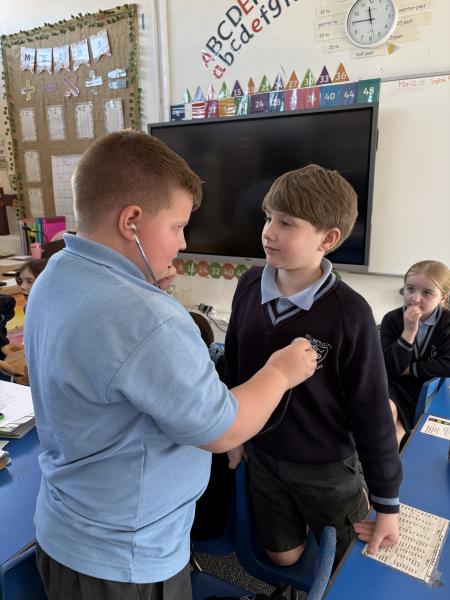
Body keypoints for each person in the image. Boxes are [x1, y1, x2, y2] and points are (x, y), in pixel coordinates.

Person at [24, 130, 318, 600]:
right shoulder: (146, 317)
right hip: (125, 562)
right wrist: (280, 372)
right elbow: (222, 429)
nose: (182, 243)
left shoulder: (56, 273)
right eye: (178, 226)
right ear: (132, 221)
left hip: (67, 529)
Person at [223, 164, 403, 566]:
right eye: (268, 217)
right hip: (262, 455)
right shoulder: (248, 284)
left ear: (328, 239)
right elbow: (232, 364)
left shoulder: (350, 313)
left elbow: (371, 410)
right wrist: (232, 434)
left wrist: (387, 504)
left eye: (286, 223)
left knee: (345, 564)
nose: (269, 232)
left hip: (326, 468)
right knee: (283, 559)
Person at [380, 260, 450, 445]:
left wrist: (410, 369)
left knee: (401, 433)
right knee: (387, 413)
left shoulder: (447, 323)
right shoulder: (392, 319)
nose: (415, 299)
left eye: (427, 293)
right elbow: (389, 368)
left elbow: (447, 365)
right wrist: (409, 332)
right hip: (396, 386)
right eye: (410, 289)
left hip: (432, 390)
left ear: (442, 298)